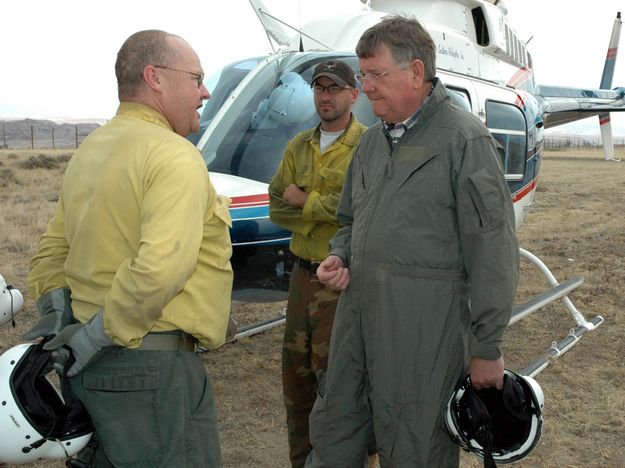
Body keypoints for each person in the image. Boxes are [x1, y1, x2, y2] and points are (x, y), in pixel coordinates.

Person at [306, 16, 520, 467]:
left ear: (416, 72)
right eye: (363, 76)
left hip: (424, 332)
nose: (366, 88)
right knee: (335, 429)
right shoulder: (370, 145)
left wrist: (487, 348)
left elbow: (493, 252)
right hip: (355, 324)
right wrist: (339, 255)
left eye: (376, 75)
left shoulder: (464, 141)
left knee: (415, 445)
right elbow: (349, 220)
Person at [25, 30, 233, 467]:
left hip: (89, 368)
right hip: (150, 372)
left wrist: (63, 319)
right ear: (155, 77)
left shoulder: (93, 149)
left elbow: (51, 255)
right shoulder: (173, 155)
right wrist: (95, 338)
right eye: (196, 77)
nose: (205, 91)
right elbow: (159, 269)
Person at [268, 59, 367, 468]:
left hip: (343, 283)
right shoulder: (298, 146)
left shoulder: (368, 146)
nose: (325, 96)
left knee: (342, 385)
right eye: (319, 88)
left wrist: (304, 200)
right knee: (298, 383)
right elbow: (277, 205)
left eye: (334, 88)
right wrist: (324, 210)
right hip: (302, 279)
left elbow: (361, 212)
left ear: (353, 95)